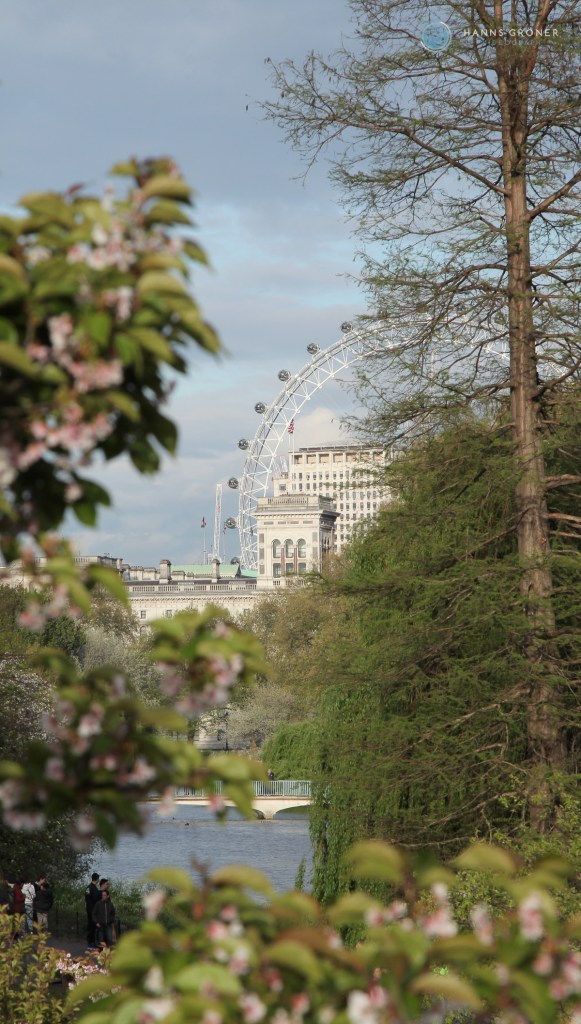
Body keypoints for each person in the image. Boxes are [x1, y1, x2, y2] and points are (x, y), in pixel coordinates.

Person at [84, 872, 101, 949]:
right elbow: (96, 899)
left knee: (90, 926)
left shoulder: (88, 888)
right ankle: (91, 943)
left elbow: (87, 898)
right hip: (93, 911)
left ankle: (90, 942)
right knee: (93, 927)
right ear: (97, 879)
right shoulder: (94, 889)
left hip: (88, 909)